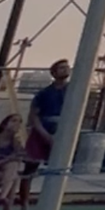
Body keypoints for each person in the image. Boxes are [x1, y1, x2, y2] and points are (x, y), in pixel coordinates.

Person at [26, 59, 72, 188]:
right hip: (44, 128)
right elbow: (34, 115)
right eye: (62, 68)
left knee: (61, 165)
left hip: (64, 129)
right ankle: (24, 201)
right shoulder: (44, 93)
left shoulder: (74, 91)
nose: (66, 69)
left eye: (67, 67)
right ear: (54, 73)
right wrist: (44, 134)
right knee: (30, 166)